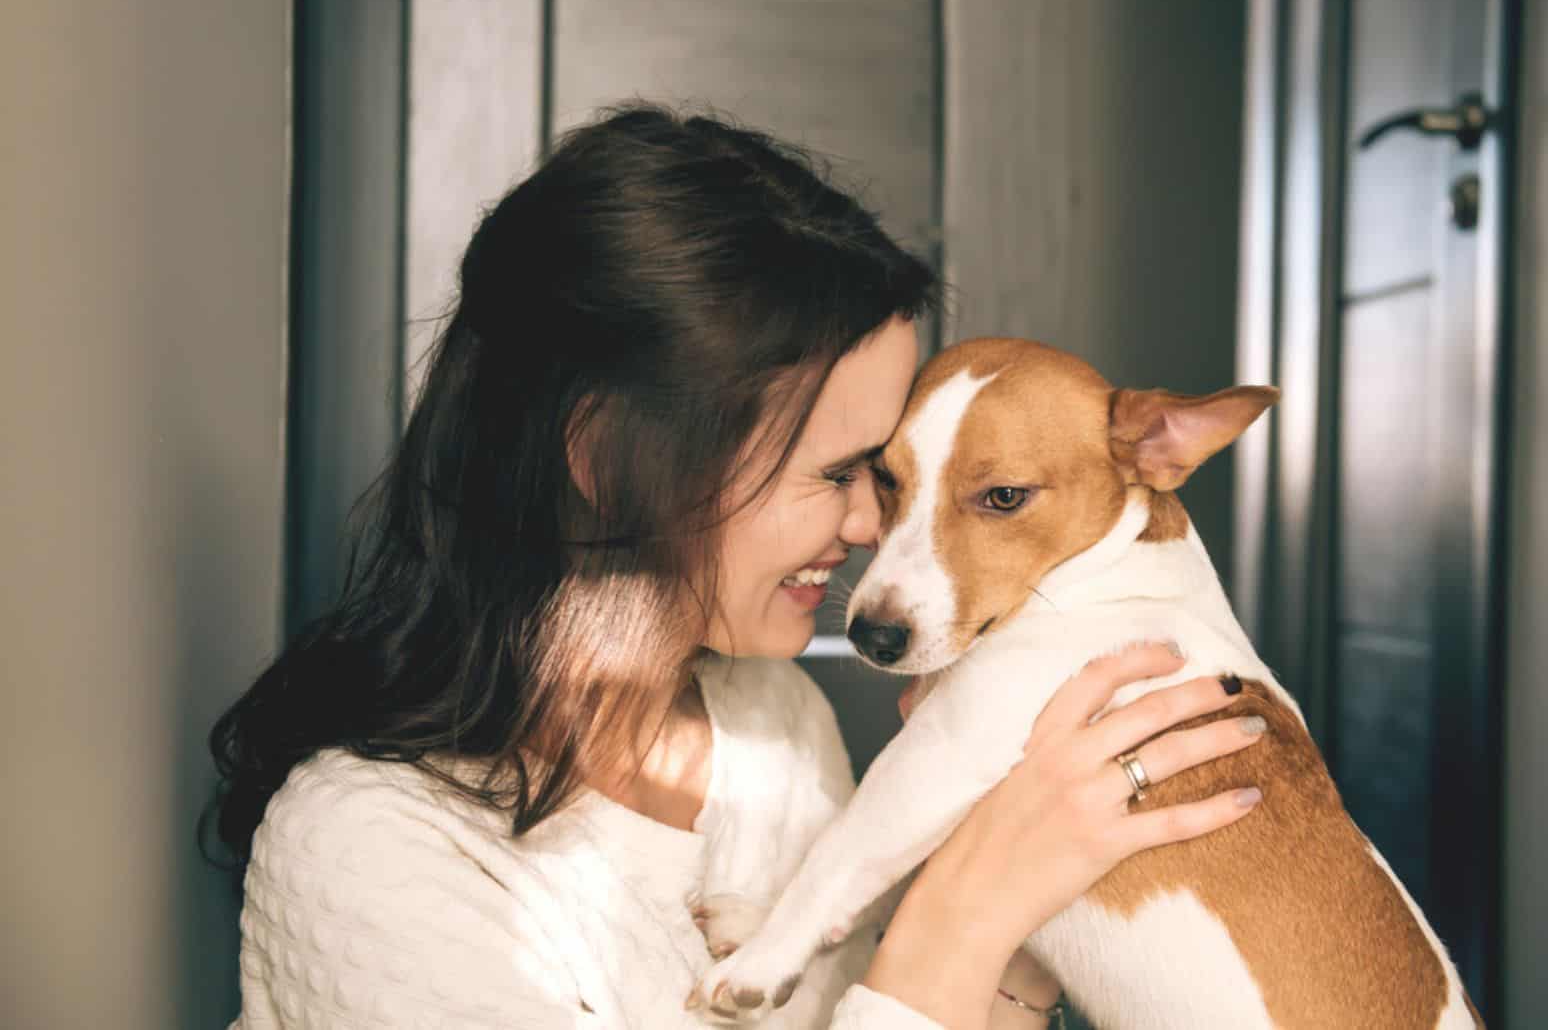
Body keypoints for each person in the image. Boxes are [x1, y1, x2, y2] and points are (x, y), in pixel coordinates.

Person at [205, 103, 1264, 1029]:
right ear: (610, 459)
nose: (870, 530)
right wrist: (965, 909)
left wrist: (1024, 936)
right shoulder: (371, 850)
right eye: (849, 475)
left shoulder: (771, 725)